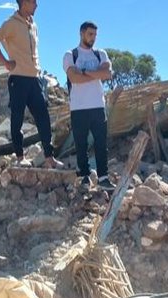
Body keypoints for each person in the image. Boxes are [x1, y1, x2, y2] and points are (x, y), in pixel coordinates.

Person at [0, 0, 63, 169]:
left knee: (43, 117)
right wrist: (5, 62)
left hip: (35, 79)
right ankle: (20, 157)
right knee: (17, 119)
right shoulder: (11, 24)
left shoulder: (33, 24)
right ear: (24, 2)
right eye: (34, 2)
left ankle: (49, 158)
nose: (37, 5)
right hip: (18, 79)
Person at [63, 21, 113, 188]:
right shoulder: (71, 55)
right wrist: (95, 74)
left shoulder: (101, 54)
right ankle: (84, 176)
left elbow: (107, 74)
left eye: (95, 35)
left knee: (101, 143)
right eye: (90, 34)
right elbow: (74, 78)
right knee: (81, 144)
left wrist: (83, 71)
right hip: (78, 107)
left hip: (98, 105)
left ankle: (103, 177)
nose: (93, 38)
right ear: (82, 33)